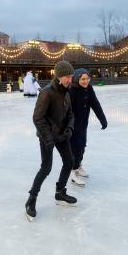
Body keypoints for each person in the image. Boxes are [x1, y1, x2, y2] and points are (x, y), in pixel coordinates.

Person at [25, 61, 77, 221]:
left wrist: (69, 129)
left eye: (71, 76)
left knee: (69, 161)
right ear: (59, 76)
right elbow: (38, 118)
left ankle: (60, 192)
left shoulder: (66, 92)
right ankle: (31, 199)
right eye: (67, 77)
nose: (70, 80)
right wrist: (48, 139)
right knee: (46, 168)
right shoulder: (47, 92)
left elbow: (70, 114)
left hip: (62, 135)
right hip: (47, 136)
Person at [69, 69, 107, 187]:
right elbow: (66, 110)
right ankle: (72, 172)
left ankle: (78, 166)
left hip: (83, 124)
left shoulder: (89, 89)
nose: (86, 81)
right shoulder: (72, 91)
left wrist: (102, 119)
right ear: (77, 79)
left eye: (87, 79)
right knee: (75, 148)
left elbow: (95, 103)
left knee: (82, 146)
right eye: (83, 79)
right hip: (72, 126)